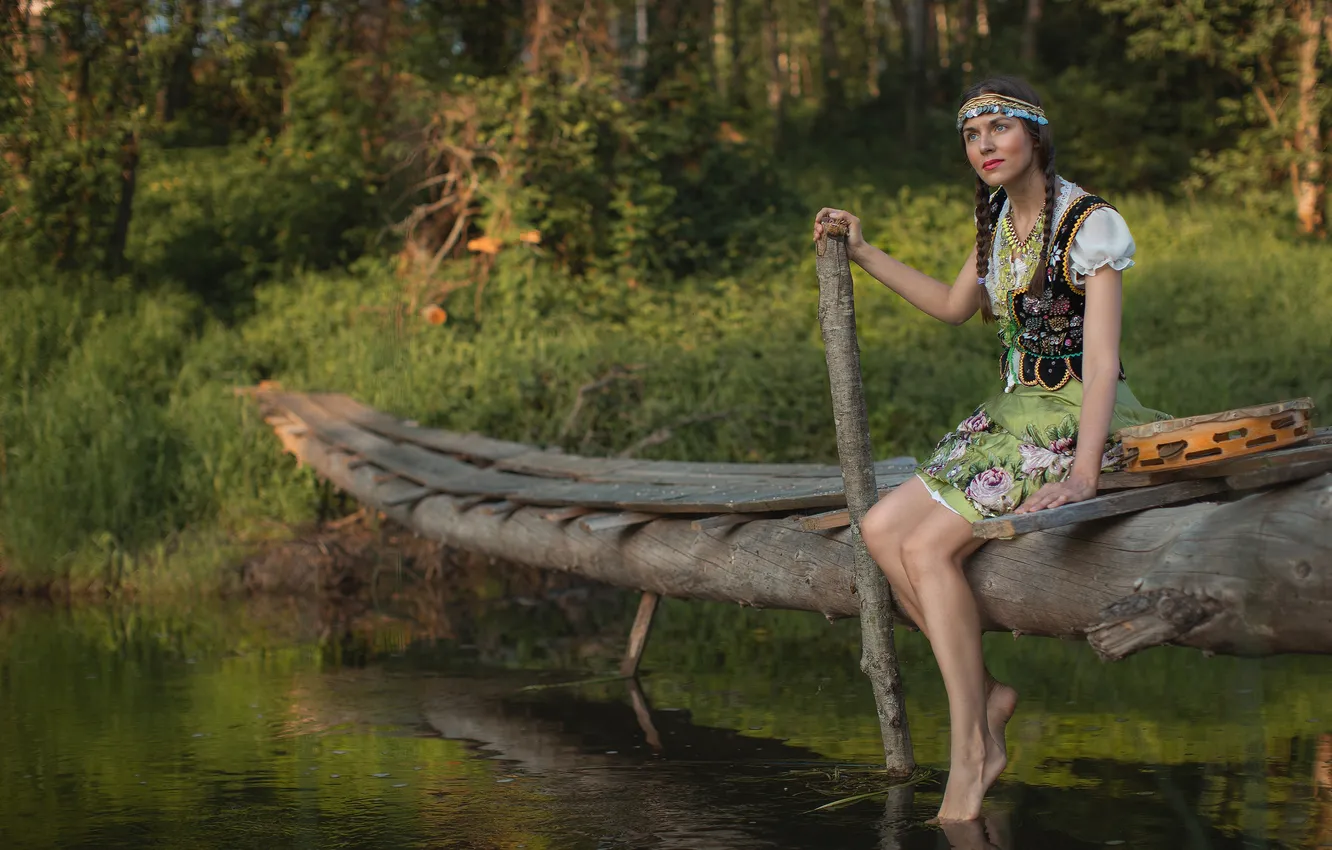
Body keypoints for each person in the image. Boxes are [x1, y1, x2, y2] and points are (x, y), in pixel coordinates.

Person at [811, 76, 1169, 822]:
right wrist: (865, 250)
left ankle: (972, 745)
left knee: (931, 550)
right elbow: (951, 307)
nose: (985, 148)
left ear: (1034, 136)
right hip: (1012, 412)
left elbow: (1103, 364)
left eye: (999, 130)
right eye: (973, 137)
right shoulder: (999, 221)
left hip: (1070, 413)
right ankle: (990, 697)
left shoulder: (1088, 223)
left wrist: (1080, 475)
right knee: (880, 530)